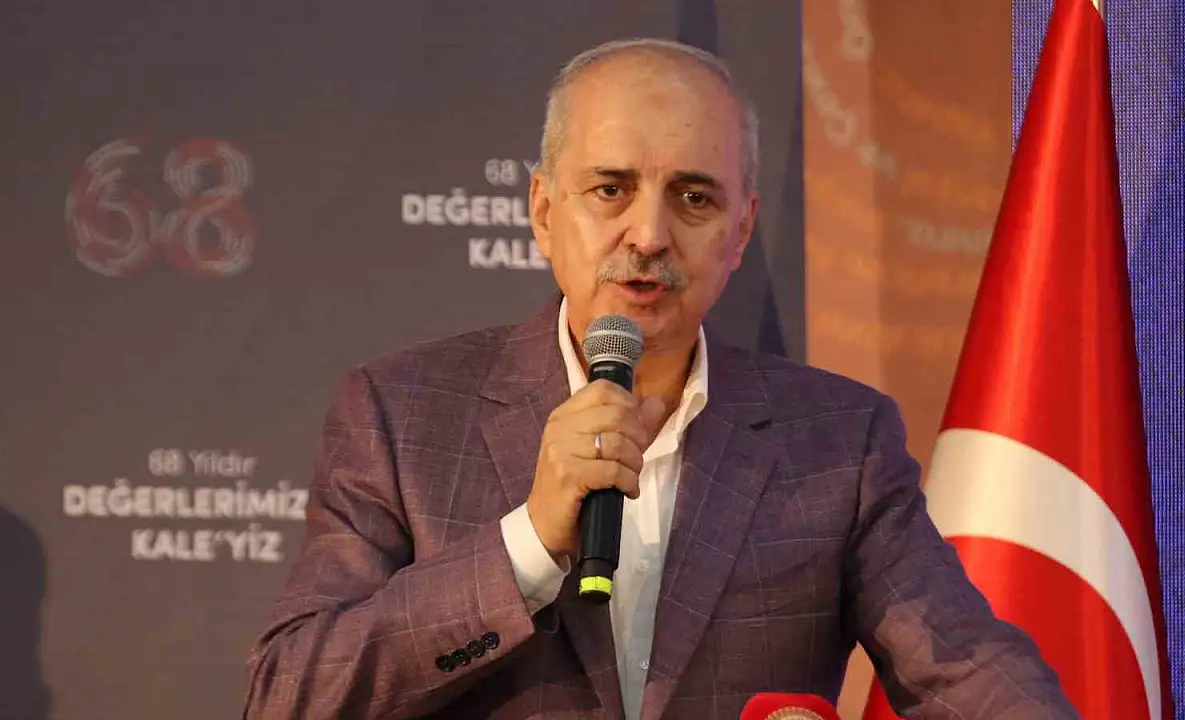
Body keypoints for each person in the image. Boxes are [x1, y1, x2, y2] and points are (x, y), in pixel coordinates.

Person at [242, 38, 1079, 720]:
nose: (648, 233)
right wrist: (528, 542)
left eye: (694, 198)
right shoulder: (401, 415)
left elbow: (965, 669)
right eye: (610, 189)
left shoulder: (839, 441)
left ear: (741, 230)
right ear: (544, 212)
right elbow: (292, 696)